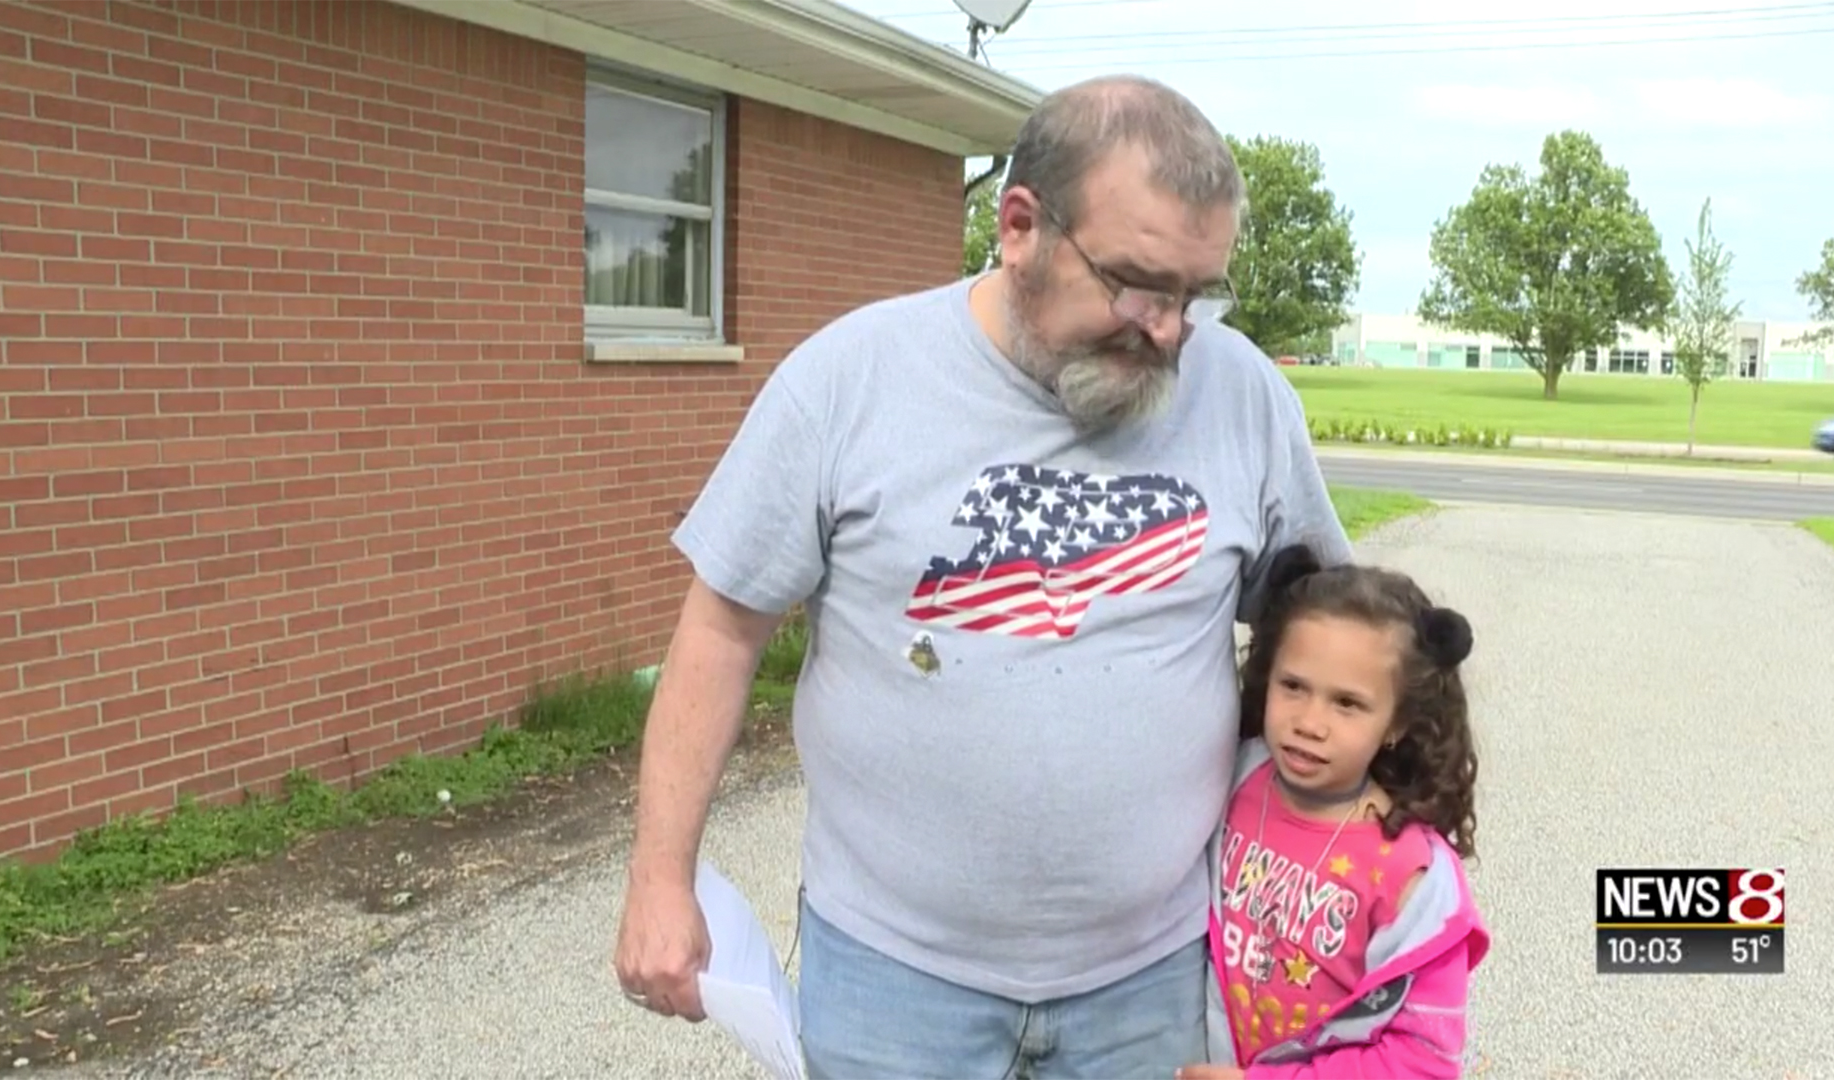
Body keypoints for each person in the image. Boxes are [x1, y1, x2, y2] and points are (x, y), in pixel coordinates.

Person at [612, 73, 1353, 1079]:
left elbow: (1329, 639)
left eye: (1196, 293)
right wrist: (662, 878)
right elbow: (720, 633)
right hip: (891, 979)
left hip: (1154, 976)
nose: (1172, 330)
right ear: (1019, 226)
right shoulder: (849, 380)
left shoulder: (1243, 395)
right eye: (1138, 285)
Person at [1179, 544, 1490, 1080]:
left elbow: (1423, 1062)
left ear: (1397, 723)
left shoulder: (1413, 878)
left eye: (1347, 703)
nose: (1310, 722)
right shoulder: (1234, 778)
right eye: (1293, 686)